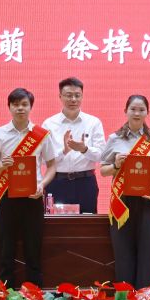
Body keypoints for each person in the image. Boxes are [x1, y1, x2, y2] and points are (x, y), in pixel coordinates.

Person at [0, 88, 58, 286]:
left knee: (33, 248)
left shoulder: (41, 135)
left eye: (24, 104)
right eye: (15, 105)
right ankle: (5, 294)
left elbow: (52, 166)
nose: (20, 108)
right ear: (9, 107)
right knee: (6, 249)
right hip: (6, 196)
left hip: (33, 196)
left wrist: (42, 184)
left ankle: (34, 294)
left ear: (30, 107)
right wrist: (2, 165)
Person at [100, 94, 150, 287]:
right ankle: (125, 298)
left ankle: (146, 299)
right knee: (123, 251)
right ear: (126, 111)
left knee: (149, 251)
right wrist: (116, 165)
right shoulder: (115, 138)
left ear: (147, 113)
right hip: (122, 200)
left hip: (149, 198)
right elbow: (103, 171)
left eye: (141, 110)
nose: (137, 113)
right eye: (133, 109)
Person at [42, 77, 105, 213]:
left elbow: (101, 156)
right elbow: (43, 159)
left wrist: (84, 149)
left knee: (87, 223)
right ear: (60, 96)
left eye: (77, 95)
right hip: (57, 182)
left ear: (82, 96)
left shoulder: (93, 122)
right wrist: (64, 151)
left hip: (85, 182)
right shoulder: (49, 124)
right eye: (68, 95)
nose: (73, 99)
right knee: (56, 224)